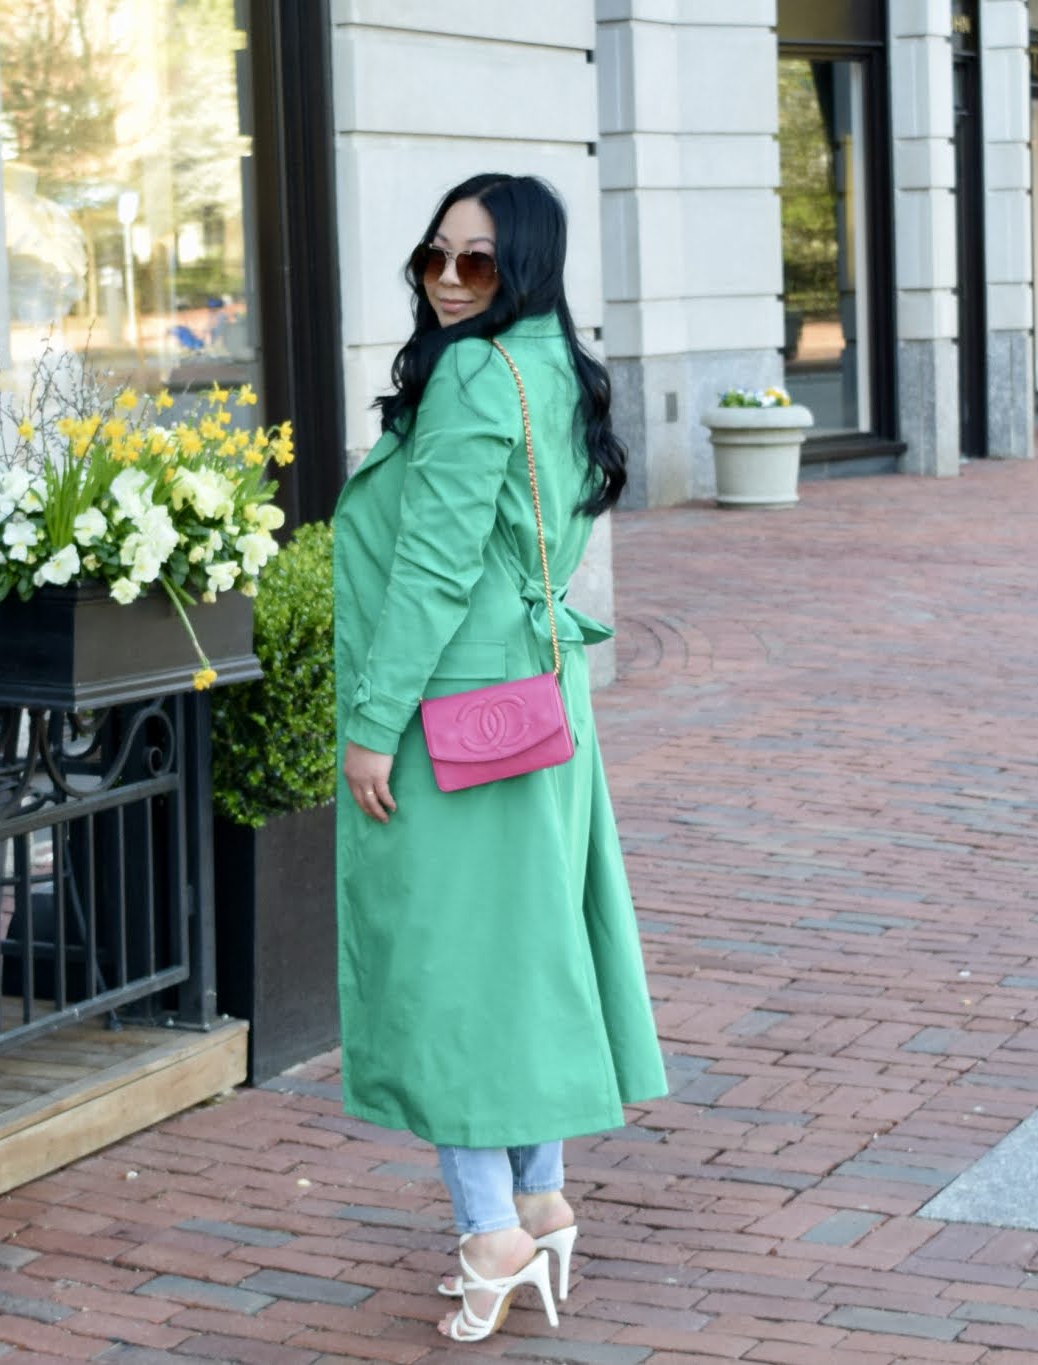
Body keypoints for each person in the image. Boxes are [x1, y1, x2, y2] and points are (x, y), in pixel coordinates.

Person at [331, 173, 668, 1344]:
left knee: (448, 975)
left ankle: (491, 1235)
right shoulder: (553, 366)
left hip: (452, 711)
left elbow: (428, 571)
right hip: (534, 701)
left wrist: (371, 724)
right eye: (433, 257)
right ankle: (538, 1199)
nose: (446, 279)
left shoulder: (476, 375)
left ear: (522, 265)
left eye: (473, 261)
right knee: (518, 956)